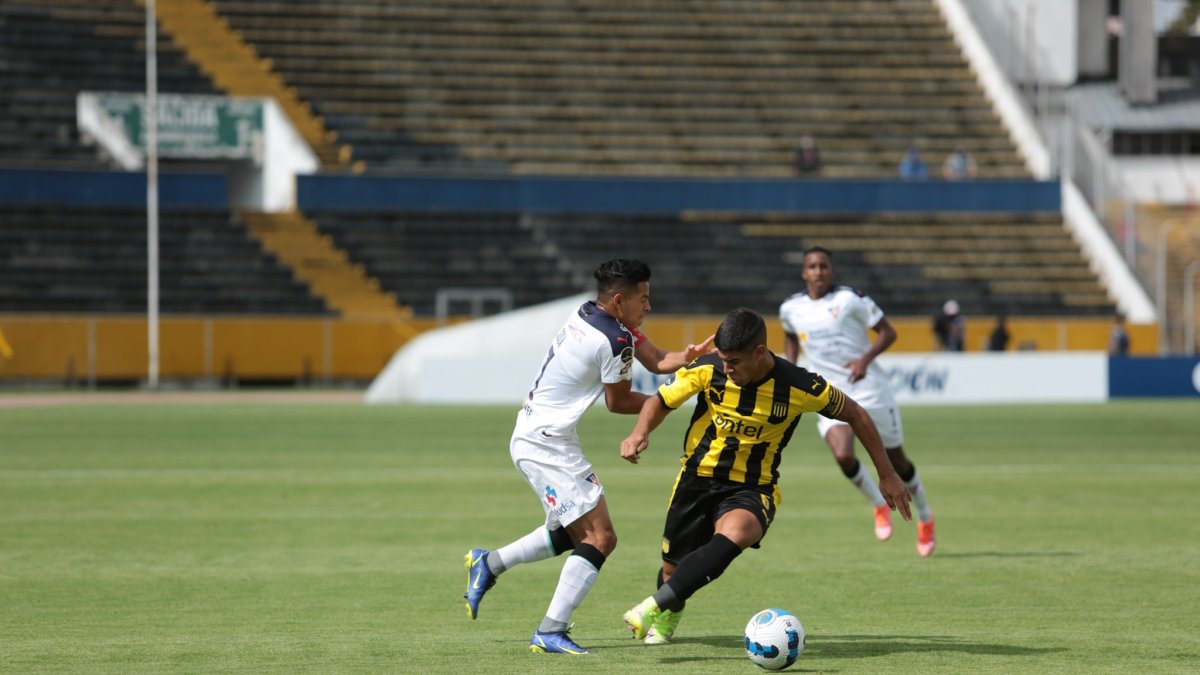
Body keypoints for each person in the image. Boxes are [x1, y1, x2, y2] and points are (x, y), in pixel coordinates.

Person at [462, 258, 714, 655]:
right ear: (619, 300)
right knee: (601, 537)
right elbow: (619, 402)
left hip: (538, 435)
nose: (649, 306)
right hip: (547, 445)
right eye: (643, 299)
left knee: (569, 534)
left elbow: (656, 360)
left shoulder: (587, 313)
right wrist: (672, 403)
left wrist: (688, 357)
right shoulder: (615, 340)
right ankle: (550, 631)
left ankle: (489, 564)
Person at [619, 308, 912, 645]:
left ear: (759, 352)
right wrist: (639, 432)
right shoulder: (708, 368)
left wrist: (887, 474)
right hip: (695, 480)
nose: (727, 369)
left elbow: (856, 413)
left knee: (737, 533)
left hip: (753, 487)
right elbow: (660, 400)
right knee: (672, 570)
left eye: (735, 361)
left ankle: (652, 607)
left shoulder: (800, 385)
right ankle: (668, 610)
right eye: (724, 360)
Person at [779, 247, 937, 556]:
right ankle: (879, 504)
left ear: (832, 271)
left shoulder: (850, 299)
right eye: (812, 266)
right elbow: (790, 336)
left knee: (898, 462)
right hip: (829, 393)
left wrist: (865, 360)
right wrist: (792, 370)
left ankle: (926, 515)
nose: (818, 271)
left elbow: (888, 333)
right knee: (842, 454)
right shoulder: (790, 308)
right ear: (804, 273)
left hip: (870, 390)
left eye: (824, 266)